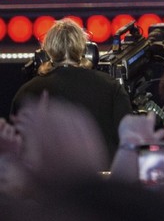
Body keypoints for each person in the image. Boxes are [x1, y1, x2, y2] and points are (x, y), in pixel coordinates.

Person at [10, 18, 132, 159]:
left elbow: (16, 149)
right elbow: (129, 142)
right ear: (86, 50)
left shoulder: (26, 92)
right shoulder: (111, 87)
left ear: (45, 53)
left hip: (45, 180)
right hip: (101, 180)